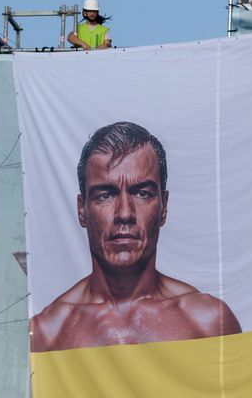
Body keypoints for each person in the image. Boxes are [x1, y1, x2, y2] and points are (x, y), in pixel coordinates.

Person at [31, 121, 241, 351]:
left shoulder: (208, 322)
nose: (124, 213)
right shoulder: (47, 334)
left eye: (142, 193)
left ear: (163, 207)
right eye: (105, 195)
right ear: (82, 210)